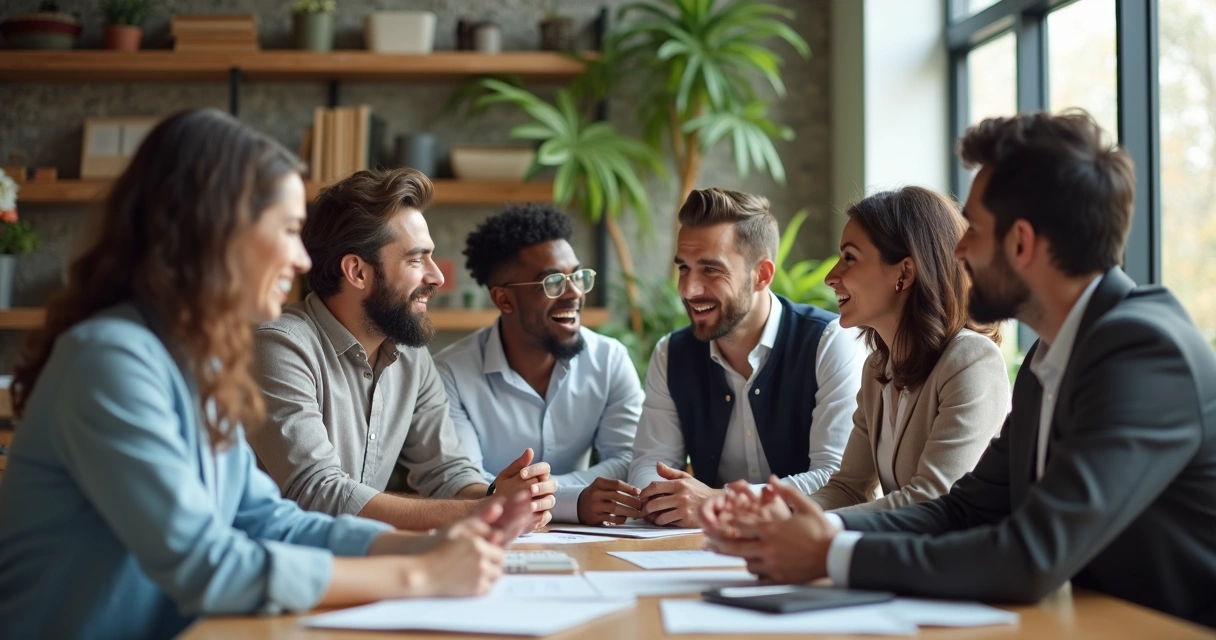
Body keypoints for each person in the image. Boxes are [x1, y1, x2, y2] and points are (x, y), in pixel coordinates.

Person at [0, 109, 534, 639]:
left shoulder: (199, 363)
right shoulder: (110, 361)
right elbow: (204, 566)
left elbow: (264, 519)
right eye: (288, 230)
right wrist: (419, 574)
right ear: (219, 233)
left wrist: (429, 543)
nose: (303, 260)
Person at [701, 111, 1216, 629]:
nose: (959, 250)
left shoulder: (1144, 350)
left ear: (1021, 242)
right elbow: (963, 510)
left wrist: (830, 555)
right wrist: (815, 533)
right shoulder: (1047, 361)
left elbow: (1031, 554)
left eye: (976, 230)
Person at [247, 168, 556, 531]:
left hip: (364, 561)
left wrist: (504, 497)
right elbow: (318, 492)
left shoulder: (410, 356)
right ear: (357, 272)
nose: (437, 277)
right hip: (277, 567)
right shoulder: (278, 346)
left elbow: (447, 471)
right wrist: (489, 512)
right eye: (415, 259)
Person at [627, 188, 865, 527]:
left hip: (803, 548)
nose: (688, 289)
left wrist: (721, 503)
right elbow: (649, 464)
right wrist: (661, 496)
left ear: (762, 275)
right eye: (684, 268)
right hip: (701, 549)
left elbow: (835, 480)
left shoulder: (828, 342)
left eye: (710, 270)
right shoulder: (671, 353)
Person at [434, 205, 645, 526]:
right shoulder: (449, 373)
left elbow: (631, 458)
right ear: (504, 300)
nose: (574, 293)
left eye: (578, 276)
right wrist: (573, 500)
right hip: (494, 538)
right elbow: (463, 484)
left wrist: (542, 494)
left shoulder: (609, 359)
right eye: (553, 282)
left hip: (592, 540)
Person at [810, 186, 1009, 513]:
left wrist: (809, 526)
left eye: (849, 257)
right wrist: (776, 516)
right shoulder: (876, 370)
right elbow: (847, 488)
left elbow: (931, 498)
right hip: (903, 557)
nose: (832, 277)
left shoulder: (971, 361)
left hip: (955, 562)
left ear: (904, 272)